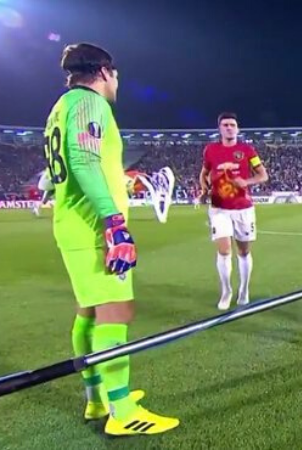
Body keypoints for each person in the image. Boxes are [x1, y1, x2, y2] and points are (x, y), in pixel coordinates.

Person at [44, 42, 179, 435]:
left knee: (89, 313)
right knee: (114, 314)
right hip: (93, 229)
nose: (117, 81)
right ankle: (122, 412)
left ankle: (97, 399)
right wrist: (114, 221)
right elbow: (84, 161)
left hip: (72, 223)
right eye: (115, 74)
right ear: (104, 72)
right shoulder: (90, 103)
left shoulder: (61, 107)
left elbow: (77, 166)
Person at [198, 113, 269, 310]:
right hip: (219, 208)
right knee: (224, 250)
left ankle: (244, 289)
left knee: (244, 251)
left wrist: (245, 182)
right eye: (225, 125)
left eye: (232, 125)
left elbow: (263, 175)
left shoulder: (247, 150)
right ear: (219, 129)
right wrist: (204, 190)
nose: (229, 128)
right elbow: (203, 173)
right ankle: (226, 290)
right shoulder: (210, 150)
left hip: (243, 208)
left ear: (237, 129)